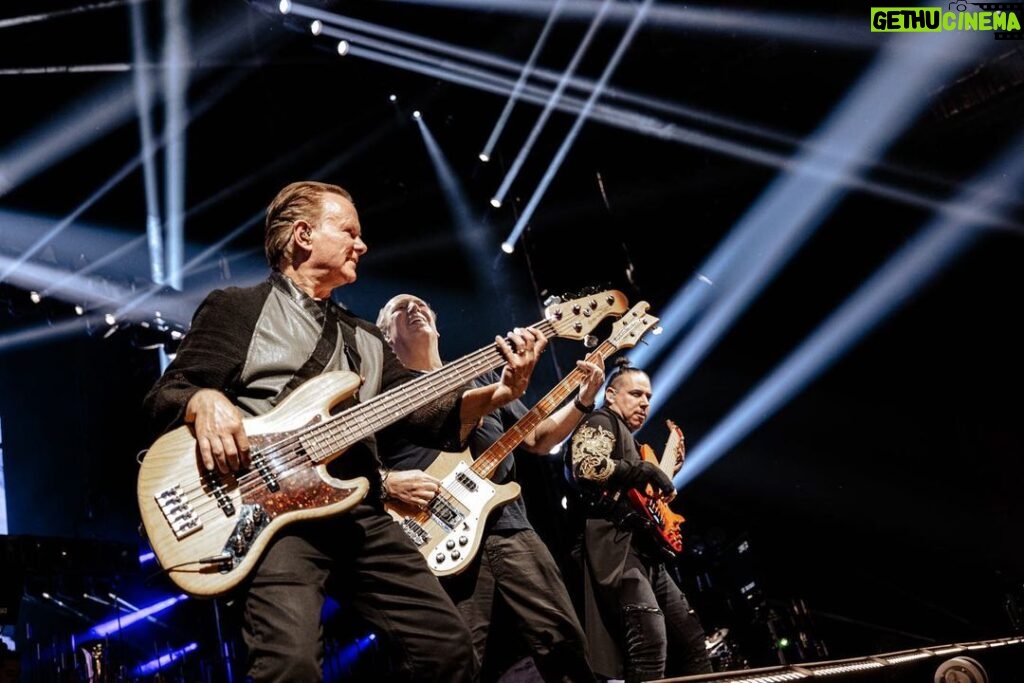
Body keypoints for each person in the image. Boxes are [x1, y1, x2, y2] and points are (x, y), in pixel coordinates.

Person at [142, 181, 550, 683]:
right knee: (289, 665)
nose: (363, 245)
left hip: (358, 515)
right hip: (270, 515)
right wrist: (203, 400)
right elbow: (169, 392)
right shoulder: (238, 307)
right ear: (303, 235)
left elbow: (433, 416)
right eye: (349, 231)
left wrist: (502, 393)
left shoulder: (368, 337)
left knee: (448, 649)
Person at [374, 293, 602, 683]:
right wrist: (386, 483)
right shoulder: (381, 395)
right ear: (385, 337)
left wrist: (583, 401)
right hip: (431, 533)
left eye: (423, 305)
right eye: (400, 308)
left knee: (562, 639)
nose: (415, 309)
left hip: (508, 524)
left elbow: (539, 440)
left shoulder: (480, 378)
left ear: (437, 325)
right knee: (455, 660)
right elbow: (355, 466)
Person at [564, 358, 712, 683]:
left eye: (648, 397)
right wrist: (645, 470)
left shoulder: (631, 442)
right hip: (616, 548)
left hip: (643, 551)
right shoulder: (601, 420)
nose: (645, 402)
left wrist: (666, 471)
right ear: (611, 395)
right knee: (649, 642)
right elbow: (586, 466)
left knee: (690, 640)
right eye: (635, 393)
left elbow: (641, 496)